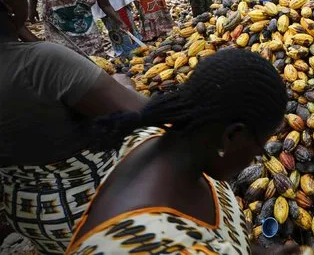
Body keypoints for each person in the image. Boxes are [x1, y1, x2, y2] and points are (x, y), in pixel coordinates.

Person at [65, 49, 293, 255]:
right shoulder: (162, 247)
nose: (253, 159)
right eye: (259, 148)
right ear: (232, 136)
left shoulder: (159, 138)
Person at [0, 0, 148, 254]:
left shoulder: (37, 60)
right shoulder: (42, 62)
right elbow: (143, 115)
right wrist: (124, 84)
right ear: (9, 5)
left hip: (27, 213)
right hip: (90, 211)